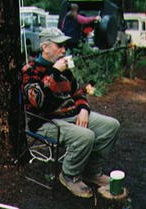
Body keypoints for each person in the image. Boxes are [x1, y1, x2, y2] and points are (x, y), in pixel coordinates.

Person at [21, 27, 120, 198]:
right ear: (45, 47)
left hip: (71, 114)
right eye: (59, 45)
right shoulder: (30, 70)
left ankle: (92, 171)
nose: (63, 50)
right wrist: (54, 72)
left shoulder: (65, 69)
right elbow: (36, 100)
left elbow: (78, 92)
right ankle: (69, 175)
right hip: (46, 121)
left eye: (64, 46)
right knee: (85, 136)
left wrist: (83, 109)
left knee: (111, 126)